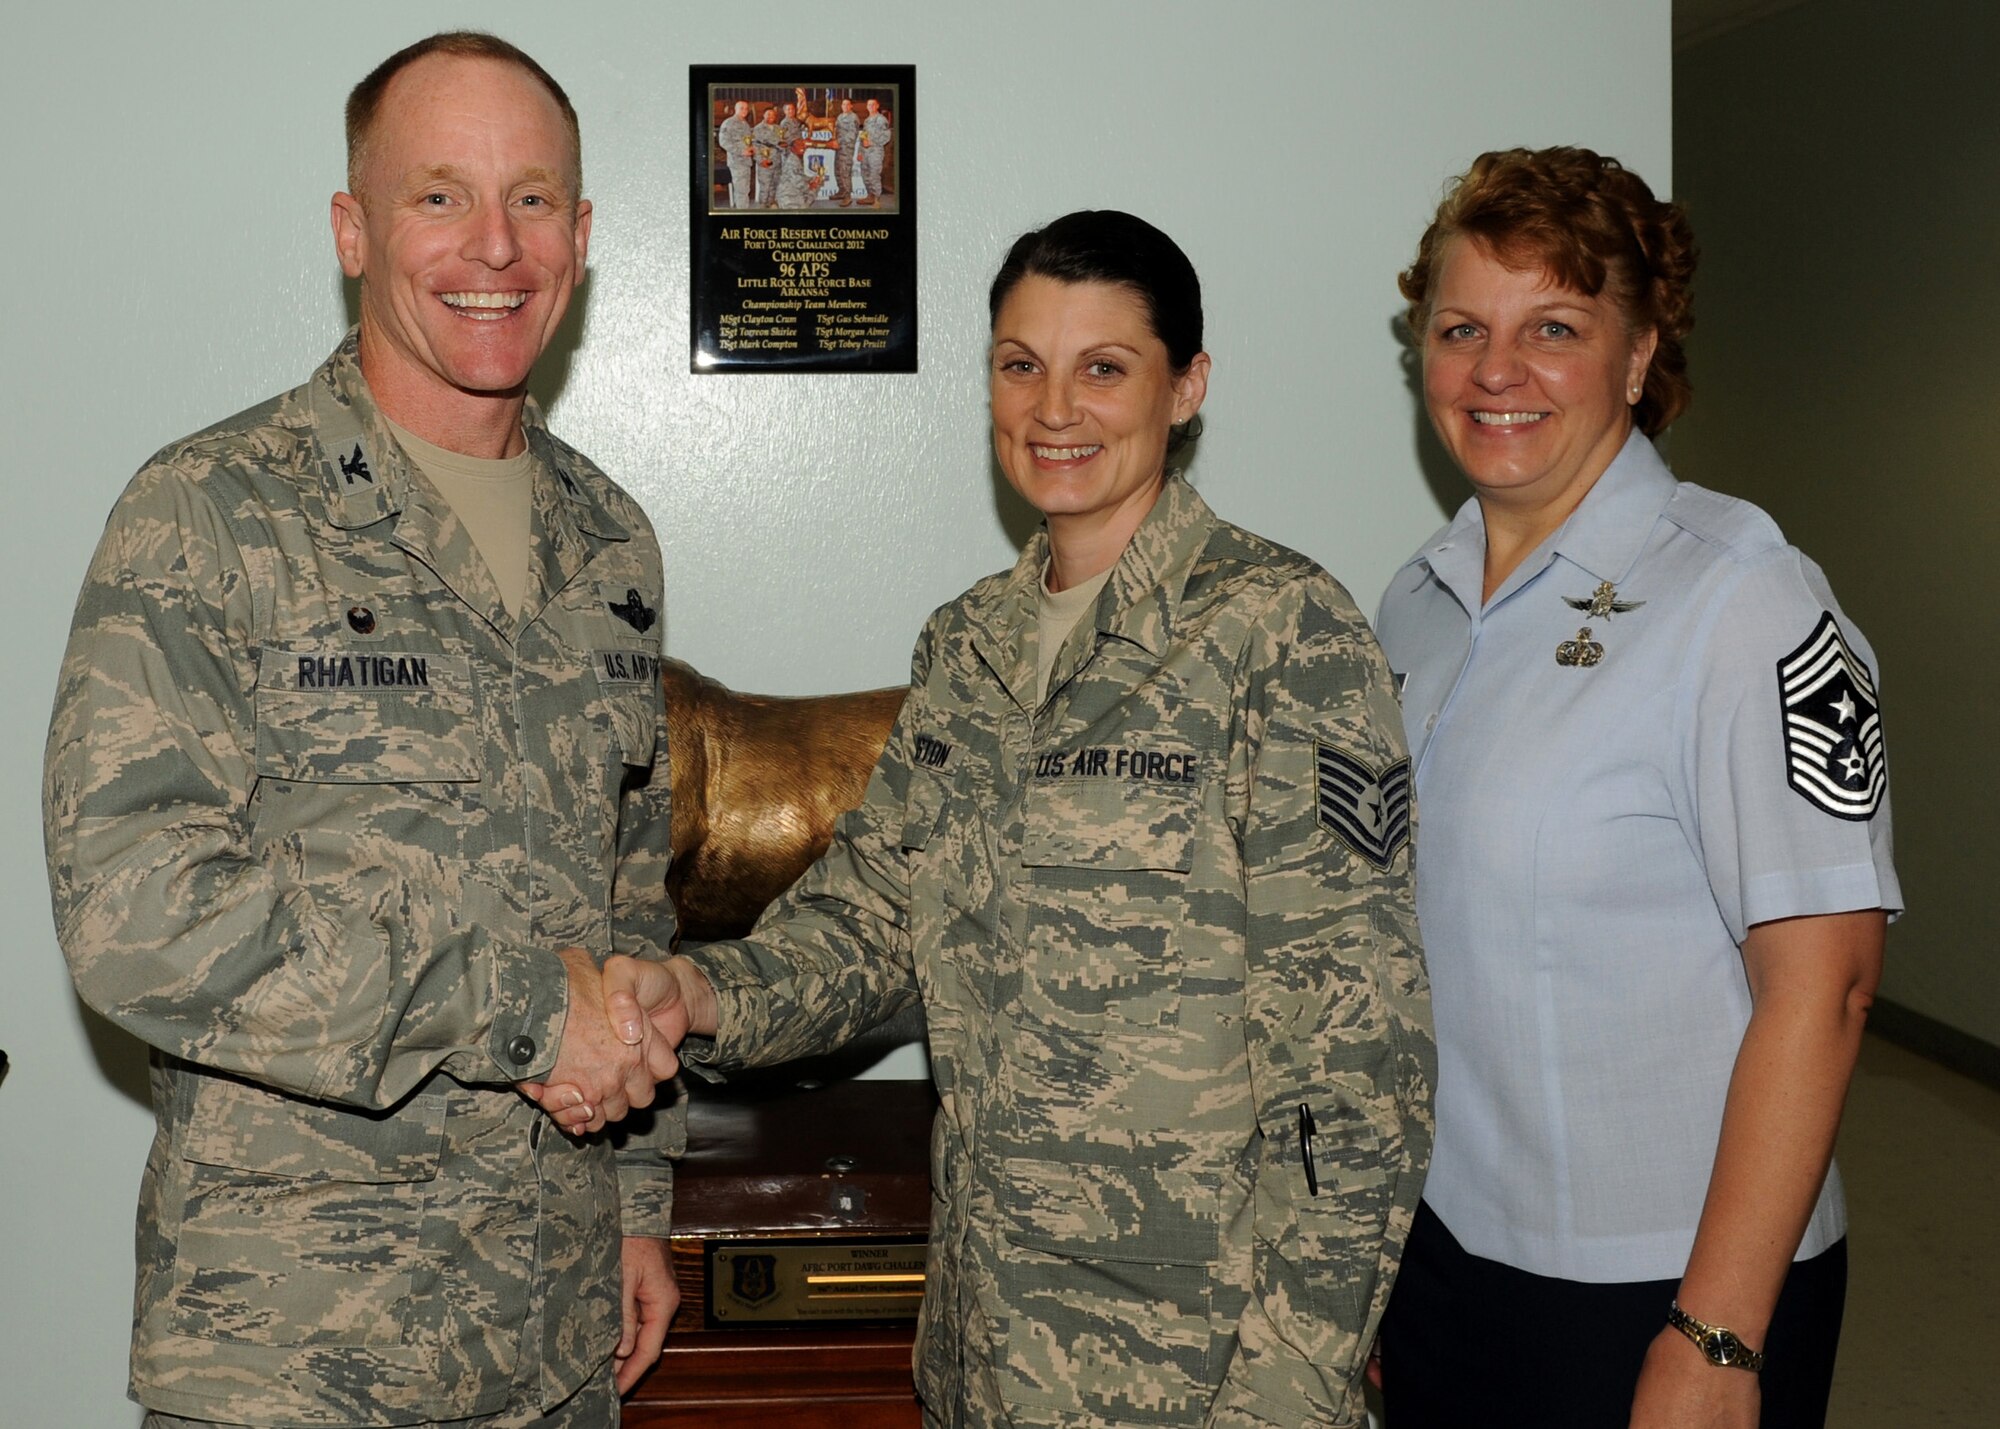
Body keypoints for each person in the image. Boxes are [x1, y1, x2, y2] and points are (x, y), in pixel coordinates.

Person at [568, 209, 1435, 1428]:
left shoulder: (1281, 635)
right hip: (986, 1351)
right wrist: (696, 997)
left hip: (1198, 1376)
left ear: (1185, 388)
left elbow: (1355, 1064)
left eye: (1103, 368)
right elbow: (873, 926)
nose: (1053, 409)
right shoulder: (966, 645)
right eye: (1019, 364)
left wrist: (1290, 1386)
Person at [43, 32, 685, 1429]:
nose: (494, 248)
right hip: (298, 1357)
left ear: (579, 236)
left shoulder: (612, 542)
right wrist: (518, 1011)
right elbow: (134, 912)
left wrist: (640, 1198)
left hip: (554, 1343)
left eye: (532, 201)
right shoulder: (210, 512)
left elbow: (634, 887)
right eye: (438, 195)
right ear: (355, 228)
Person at [1372, 146, 1899, 1428]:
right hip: (1448, 1250)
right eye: (1459, 329)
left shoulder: (1747, 601)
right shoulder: (1414, 602)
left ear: (1635, 350)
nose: (1494, 371)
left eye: (1551, 327)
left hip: (1662, 1281)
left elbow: (1822, 985)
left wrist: (1713, 1334)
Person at [718, 98, 755, 208]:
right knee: (741, 191)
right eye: (741, 108)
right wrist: (741, 151)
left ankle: (742, 210)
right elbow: (723, 142)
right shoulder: (729, 123)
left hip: (746, 162)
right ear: (735, 109)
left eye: (746, 108)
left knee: (744, 190)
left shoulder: (745, 124)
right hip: (737, 162)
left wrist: (751, 148)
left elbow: (747, 141)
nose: (745, 110)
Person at [857, 96, 890, 206]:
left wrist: (872, 142)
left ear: (877, 106)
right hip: (865, 152)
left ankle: (876, 199)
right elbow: (863, 137)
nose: (870, 106)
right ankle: (870, 196)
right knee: (865, 173)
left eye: (873, 104)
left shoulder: (881, 119)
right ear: (866, 107)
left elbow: (886, 135)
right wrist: (860, 152)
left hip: (875, 152)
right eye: (869, 105)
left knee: (874, 175)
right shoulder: (866, 120)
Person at [751, 105, 781, 208]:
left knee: (775, 185)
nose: (771, 116)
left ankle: (772, 204)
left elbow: (781, 144)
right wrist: (760, 160)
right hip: (765, 161)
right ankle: (762, 207)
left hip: (777, 162)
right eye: (768, 114)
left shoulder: (778, 128)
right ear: (763, 115)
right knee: (765, 186)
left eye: (773, 114)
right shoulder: (758, 129)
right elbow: (754, 146)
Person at [834, 96, 860, 205]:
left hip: (846, 148)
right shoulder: (840, 117)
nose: (845, 106)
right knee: (837, 170)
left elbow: (852, 135)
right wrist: (834, 140)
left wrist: (838, 141)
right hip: (839, 148)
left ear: (851, 106)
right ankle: (841, 191)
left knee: (845, 171)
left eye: (847, 104)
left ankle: (848, 196)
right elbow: (836, 130)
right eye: (843, 104)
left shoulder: (853, 117)